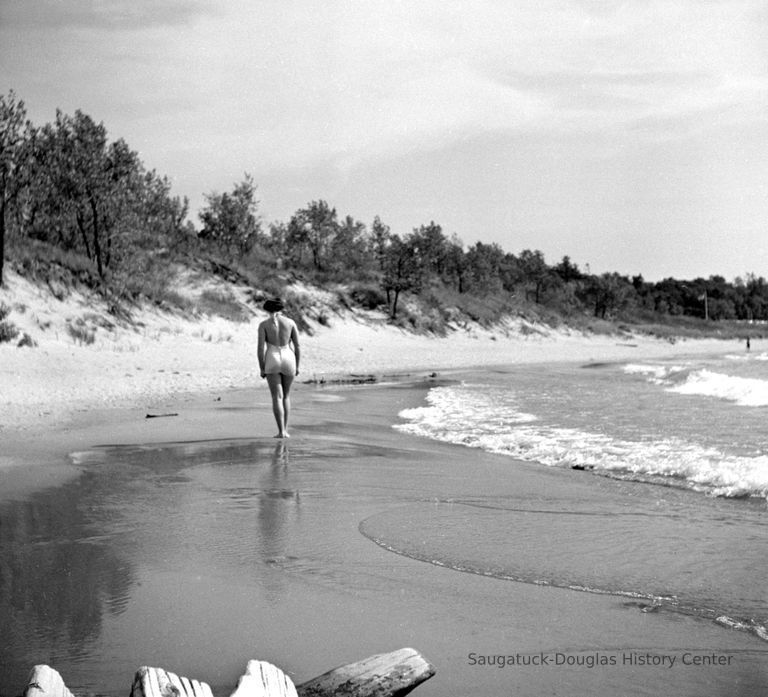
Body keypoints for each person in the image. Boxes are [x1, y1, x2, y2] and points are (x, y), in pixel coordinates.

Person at [258, 298, 300, 438]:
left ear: (267, 310)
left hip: (272, 357)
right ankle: (286, 431)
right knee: (286, 396)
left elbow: (260, 348)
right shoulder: (291, 323)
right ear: (281, 309)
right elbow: (298, 346)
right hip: (289, 356)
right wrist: (298, 365)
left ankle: (280, 431)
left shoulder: (264, 325)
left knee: (277, 397)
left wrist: (262, 368)